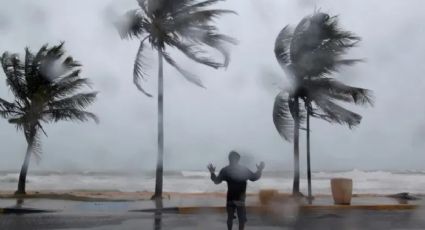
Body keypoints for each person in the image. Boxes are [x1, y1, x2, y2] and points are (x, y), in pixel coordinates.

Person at [207, 151, 265, 230]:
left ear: (229, 159)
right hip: (240, 199)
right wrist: (260, 170)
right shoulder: (243, 170)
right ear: (238, 159)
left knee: (230, 218)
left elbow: (216, 181)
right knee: (241, 219)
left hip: (230, 198)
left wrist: (212, 173)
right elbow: (254, 178)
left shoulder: (225, 170)